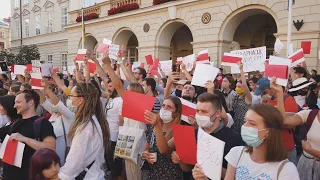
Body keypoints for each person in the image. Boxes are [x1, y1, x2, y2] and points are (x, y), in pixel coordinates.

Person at [222, 103, 299, 180]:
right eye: (245, 121)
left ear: (269, 131)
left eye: (252, 123)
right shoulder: (237, 153)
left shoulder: (286, 170)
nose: (245, 126)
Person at [57, 83, 111, 180]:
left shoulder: (85, 126)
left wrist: (61, 177)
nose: (69, 99)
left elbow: (75, 159)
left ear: (80, 100)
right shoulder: (92, 120)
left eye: (71, 96)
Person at [2, 89, 56, 180]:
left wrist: (25, 139)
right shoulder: (15, 123)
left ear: (31, 102)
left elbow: (51, 148)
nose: (15, 106)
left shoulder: (42, 123)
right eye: (15, 103)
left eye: (18, 102)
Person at [274, 79, 320, 180]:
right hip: (305, 165)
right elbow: (283, 121)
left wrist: (310, 150)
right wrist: (280, 94)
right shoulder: (310, 114)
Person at [143, 96, 183, 180]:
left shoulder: (179, 131)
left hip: (169, 175)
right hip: (153, 174)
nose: (164, 109)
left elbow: (164, 150)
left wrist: (157, 126)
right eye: (163, 105)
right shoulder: (153, 126)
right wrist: (145, 155)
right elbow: (146, 147)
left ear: (176, 113)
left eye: (169, 107)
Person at [37, 82, 75, 166]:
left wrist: (47, 90)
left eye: (55, 105)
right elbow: (44, 102)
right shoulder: (54, 114)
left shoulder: (70, 116)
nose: (53, 106)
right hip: (50, 146)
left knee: (58, 164)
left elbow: (59, 105)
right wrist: (38, 91)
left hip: (62, 147)